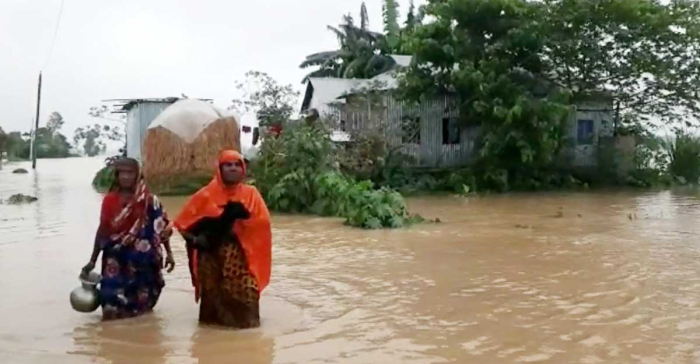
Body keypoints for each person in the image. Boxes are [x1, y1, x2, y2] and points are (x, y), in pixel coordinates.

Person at [174, 150, 272, 328]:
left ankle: (247, 335)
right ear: (220, 169)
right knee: (212, 299)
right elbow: (182, 223)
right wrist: (196, 241)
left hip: (240, 257)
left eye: (237, 165)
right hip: (210, 258)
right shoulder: (206, 195)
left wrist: (240, 229)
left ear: (242, 169)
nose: (233, 168)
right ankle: (211, 344)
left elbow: (262, 223)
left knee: (246, 294)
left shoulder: (251, 194)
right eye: (228, 165)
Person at [81, 157, 175, 320]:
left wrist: (170, 254)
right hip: (115, 261)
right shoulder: (109, 201)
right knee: (110, 303)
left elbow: (161, 229)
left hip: (144, 263)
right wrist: (92, 260)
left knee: (142, 308)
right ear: (116, 176)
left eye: (129, 173)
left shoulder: (149, 200)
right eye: (121, 173)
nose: (125, 177)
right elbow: (102, 230)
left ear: (137, 175)